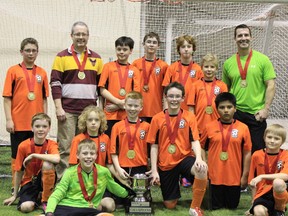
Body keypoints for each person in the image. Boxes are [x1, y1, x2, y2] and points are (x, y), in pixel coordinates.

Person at [50, 21, 103, 180]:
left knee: (85, 149)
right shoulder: (61, 56)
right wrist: (59, 108)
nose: (81, 37)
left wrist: (100, 110)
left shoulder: (97, 58)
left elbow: (101, 88)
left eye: (84, 34)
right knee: (65, 148)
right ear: (71, 36)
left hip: (89, 114)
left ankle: (83, 183)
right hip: (67, 110)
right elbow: (55, 83)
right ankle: (63, 184)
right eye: (77, 34)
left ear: (88, 36)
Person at [146, 82, 208, 216]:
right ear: (165, 97)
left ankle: (194, 207)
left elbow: (195, 140)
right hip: (166, 164)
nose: (174, 99)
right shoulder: (157, 119)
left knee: (202, 168)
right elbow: (154, 146)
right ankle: (176, 190)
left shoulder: (189, 117)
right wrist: (154, 170)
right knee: (170, 205)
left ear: (183, 98)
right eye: (171, 96)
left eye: (177, 96)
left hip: (184, 158)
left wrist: (198, 158)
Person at [2, 37, 49, 193]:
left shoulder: (42, 72)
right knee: (17, 155)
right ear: (21, 52)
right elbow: (7, 97)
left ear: (37, 52)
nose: (31, 53)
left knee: (37, 153)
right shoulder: (13, 71)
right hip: (19, 122)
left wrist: (45, 120)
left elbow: (44, 98)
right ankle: (16, 186)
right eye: (27, 50)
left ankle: (33, 184)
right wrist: (9, 119)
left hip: (37, 125)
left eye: (33, 50)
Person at [222, 24, 276, 153]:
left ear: (251, 37)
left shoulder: (263, 60)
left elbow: (271, 85)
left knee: (256, 153)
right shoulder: (228, 63)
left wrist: (266, 109)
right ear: (234, 39)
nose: (243, 38)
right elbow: (226, 89)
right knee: (235, 152)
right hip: (236, 114)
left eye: (246, 35)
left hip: (256, 115)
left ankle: (256, 175)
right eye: (240, 35)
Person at [45, 139, 134, 216]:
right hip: (67, 207)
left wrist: (130, 194)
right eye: (85, 153)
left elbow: (114, 187)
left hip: (88, 209)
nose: (88, 156)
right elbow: (59, 192)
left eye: (92, 153)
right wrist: (49, 211)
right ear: (77, 155)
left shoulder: (104, 172)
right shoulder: (69, 172)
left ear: (96, 155)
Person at [200, 92, 252, 210]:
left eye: (229, 107)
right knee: (215, 206)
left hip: (233, 177)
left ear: (235, 108)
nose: (226, 110)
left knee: (232, 206)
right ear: (217, 109)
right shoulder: (209, 127)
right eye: (222, 107)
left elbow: (247, 152)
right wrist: (205, 165)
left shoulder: (243, 128)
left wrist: (244, 176)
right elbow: (201, 147)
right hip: (214, 177)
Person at [3, 113, 60, 213]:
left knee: (48, 164)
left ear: (49, 128)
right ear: (32, 128)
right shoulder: (23, 146)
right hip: (29, 182)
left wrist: (34, 155)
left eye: (44, 126)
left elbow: (57, 159)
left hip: (44, 180)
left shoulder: (51, 144)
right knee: (26, 207)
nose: (41, 129)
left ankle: (46, 200)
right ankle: (38, 198)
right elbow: (19, 171)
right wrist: (15, 195)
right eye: (37, 126)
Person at [68, 105, 116, 212]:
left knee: (110, 206)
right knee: (94, 207)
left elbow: (109, 164)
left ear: (101, 122)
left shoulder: (106, 139)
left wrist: (121, 177)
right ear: (85, 122)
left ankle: (92, 206)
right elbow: (72, 165)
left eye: (96, 120)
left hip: (100, 182)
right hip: (83, 183)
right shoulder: (78, 139)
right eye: (90, 120)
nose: (93, 123)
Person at [98, 36, 141, 136]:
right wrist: (119, 102)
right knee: (108, 142)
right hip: (109, 115)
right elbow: (102, 89)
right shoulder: (108, 67)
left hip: (127, 114)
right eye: (119, 49)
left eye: (125, 49)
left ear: (131, 51)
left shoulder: (134, 70)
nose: (121, 52)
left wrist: (118, 106)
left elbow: (135, 94)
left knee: (123, 144)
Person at [110, 91, 150, 191]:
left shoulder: (147, 127)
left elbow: (151, 150)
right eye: (130, 105)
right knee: (122, 200)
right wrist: (118, 169)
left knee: (140, 198)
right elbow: (113, 151)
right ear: (124, 106)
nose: (132, 109)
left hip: (140, 167)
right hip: (123, 168)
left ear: (141, 107)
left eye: (136, 106)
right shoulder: (117, 127)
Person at [247, 124, 288, 216]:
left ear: (282, 141)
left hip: (280, 191)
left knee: (278, 182)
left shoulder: (286, 155)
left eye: (276, 139)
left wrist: (261, 176)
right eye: (269, 137)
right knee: (258, 211)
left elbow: (286, 176)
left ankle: (280, 210)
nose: (272, 141)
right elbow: (252, 182)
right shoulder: (256, 155)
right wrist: (253, 203)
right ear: (264, 138)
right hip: (263, 192)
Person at [132, 32, 168, 123]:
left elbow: (166, 90)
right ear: (143, 45)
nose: (151, 45)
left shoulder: (163, 66)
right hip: (138, 110)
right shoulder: (136, 64)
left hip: (156, 110)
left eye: (154, 42)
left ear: (158, 46)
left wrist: (166, 108)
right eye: (149, 42)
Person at [188, 53, 228, 135]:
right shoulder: (195, 85)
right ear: (201, 68)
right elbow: (191, 109)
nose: (209, 69)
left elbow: (225, 108)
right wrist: (193, 126)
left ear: (216, 69)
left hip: (217, 129)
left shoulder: (222, 86)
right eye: (206, 67)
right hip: (199, 128)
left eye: (212, 67)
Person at [162, 35, 203, 111]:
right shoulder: (172, 68)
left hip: (192, 110)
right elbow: (165, 92)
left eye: (189, 46)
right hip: (174, 109)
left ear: (193, 49)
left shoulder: (198, 69)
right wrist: (166, 110)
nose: (186, 49)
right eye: (183, 47)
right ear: (179, 49)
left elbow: (201, 93)